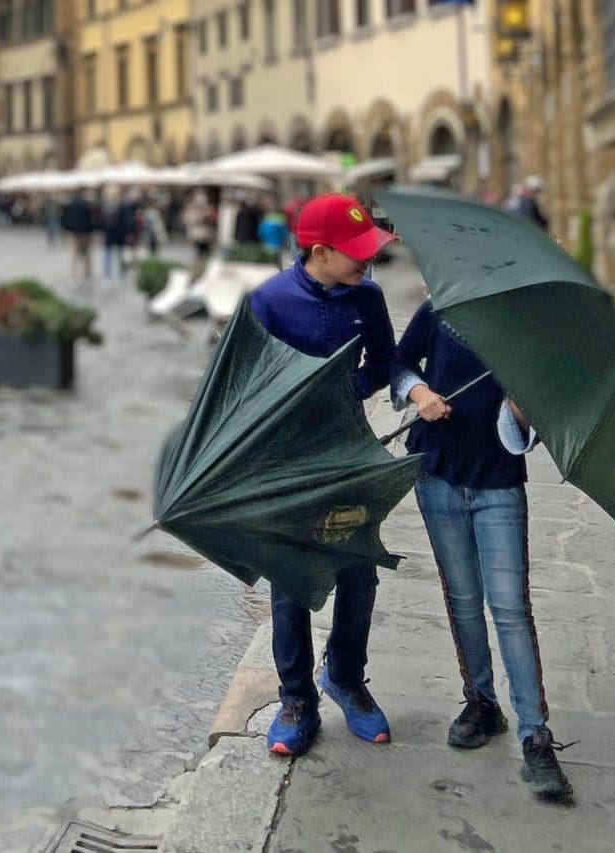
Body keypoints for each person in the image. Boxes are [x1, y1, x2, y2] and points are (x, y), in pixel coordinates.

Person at [394, 300, 574, 803]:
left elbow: (540, 413)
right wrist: (421, 391)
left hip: (498, 483)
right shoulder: (441, 309)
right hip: (436, 473)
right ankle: (482, 702)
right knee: (464, 599)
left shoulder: (530, 326)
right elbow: (399, 362)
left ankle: (535, 736)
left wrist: (522, 409)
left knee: (511, 610)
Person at [248, 193, 408, 757]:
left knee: (359, 569)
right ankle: (296, 699)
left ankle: (344, 676)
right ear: (319, 252)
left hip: (348, 452)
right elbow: (239, 386)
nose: (368, 259)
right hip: (285, 461)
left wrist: (349, 392)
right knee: (289, 579)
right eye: (356, 251)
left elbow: (384, 364)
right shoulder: (268, 301)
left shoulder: (368, 296)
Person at [60, 191, 95, 286]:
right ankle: (87, 274)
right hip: (85, 233)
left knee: (73, 255)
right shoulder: (86, 205)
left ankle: (73, 275)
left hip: (73, 233)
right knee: (86, 254)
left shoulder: (69, 205)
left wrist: (67, 229)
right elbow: (91, 220)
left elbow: (64, 218)